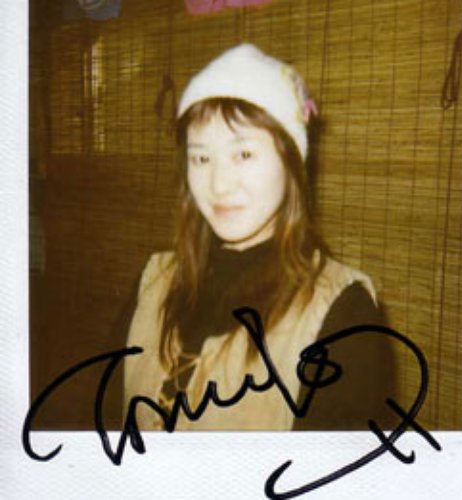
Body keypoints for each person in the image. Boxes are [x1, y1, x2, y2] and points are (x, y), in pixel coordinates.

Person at [123, 44, 396, 431]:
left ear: (291, 161)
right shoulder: (154, 281)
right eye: (201, 158)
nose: (219, 184)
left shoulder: (343, 313)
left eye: (244, 155)